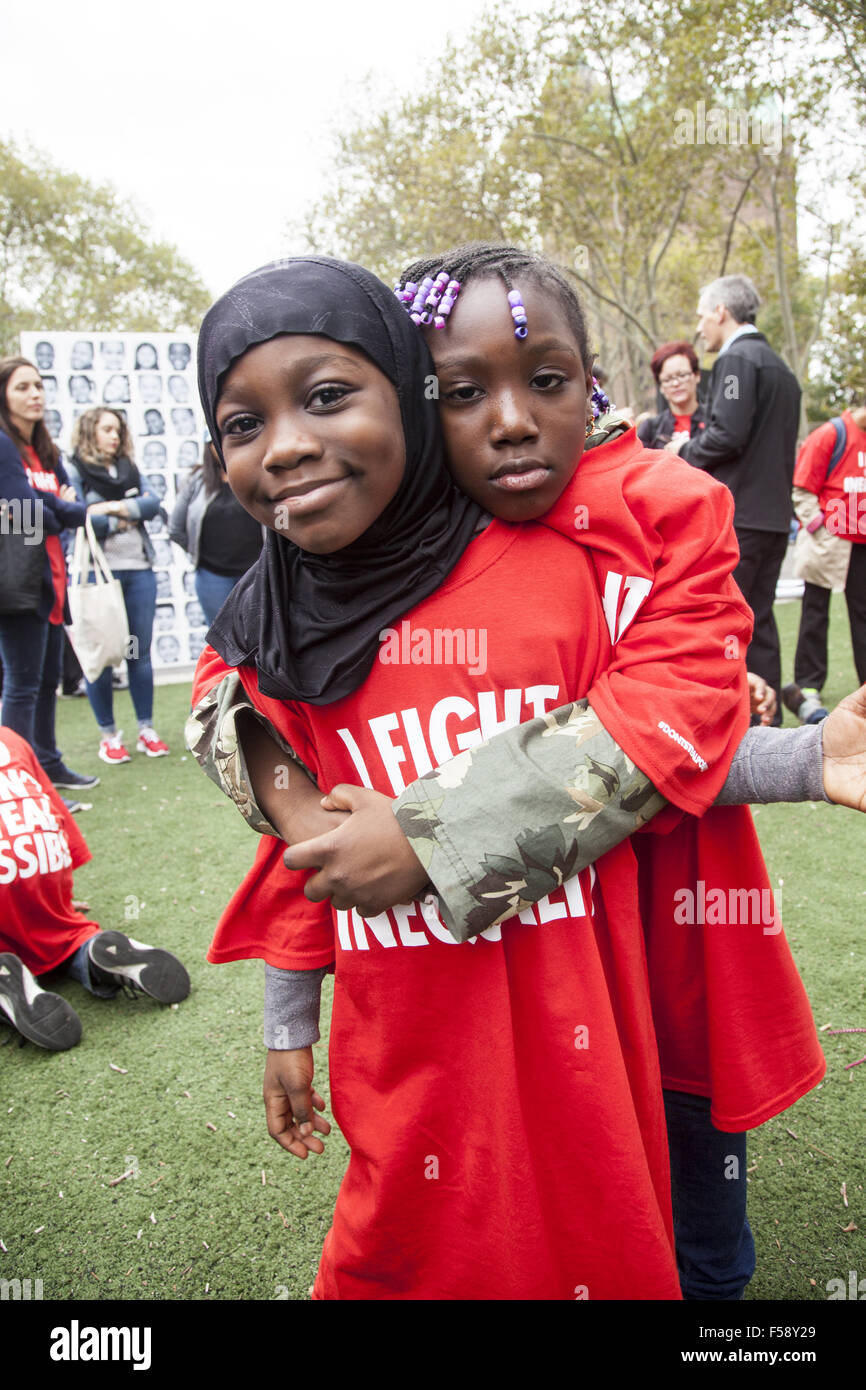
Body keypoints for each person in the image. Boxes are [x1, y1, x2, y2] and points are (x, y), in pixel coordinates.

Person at [191, 248, 828, 1303]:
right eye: (462, 390)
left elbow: (661, 728)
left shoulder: (593, 539)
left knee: (677, 1200)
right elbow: (256, 746)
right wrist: (289, 1005)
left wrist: (430, 837)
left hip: (632, 967)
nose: (511, 420)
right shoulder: (292, 603)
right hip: (428, 1036)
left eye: (545, 382)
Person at [0, 726, 189, 1050]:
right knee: (63, 933)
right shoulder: (10, 736)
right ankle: (91, 950)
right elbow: (55, 812)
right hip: (44, 864)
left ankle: (6, 978)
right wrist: (59, 898)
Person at [665, 275, 801, 719]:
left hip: (741, 519)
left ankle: (731, 717)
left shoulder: (738, 362)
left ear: (721, 311)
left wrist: (682, 450)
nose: (700, 326)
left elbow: (728, 432)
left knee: (728, 619)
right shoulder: (781, 369)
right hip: (776, 520)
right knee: (759, 619)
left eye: (703, 314)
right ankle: (768, 718)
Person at [0, 357, 97, 801]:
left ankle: (48, 764)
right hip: (19, 584)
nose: (35, 394)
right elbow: (25, 516)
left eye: (38, 385)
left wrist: (48, 505)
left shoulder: (47, 451)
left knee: (45, 683)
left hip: (54, 581)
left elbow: (76, 512)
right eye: (22, 387)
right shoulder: (3, 445)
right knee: (21, 685)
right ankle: (16, 783)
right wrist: (51, 502)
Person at [65, 408, 170, 765]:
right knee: (104, 654)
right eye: (106, 429)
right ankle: (109, 736)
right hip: (97, 576)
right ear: (89, 432)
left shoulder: (130, 468)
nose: (114, 435)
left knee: (137, 652)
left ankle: (146, 729)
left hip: (138, 570)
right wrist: (122, 516)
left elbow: (153, 504)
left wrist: (110, 508)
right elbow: (76, 517)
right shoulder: (74, 469)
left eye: (118, 429)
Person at [783, 397, 866, 724]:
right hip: (828, 541)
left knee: (863, 615)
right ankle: (809, 683)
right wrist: (817, 524)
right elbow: (802, 487)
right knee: (815, 611)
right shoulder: (832, 434)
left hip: (862, 543)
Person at [168, 439, 264, 624]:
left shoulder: (259, 475)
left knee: (261, 637)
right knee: (221, 642)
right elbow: (176, 529)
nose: (221, 444)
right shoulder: (196, 480)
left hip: (256, 575)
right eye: (214, 440)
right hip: (213, 576)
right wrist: (201, 554)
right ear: (207, 445)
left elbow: (280, 519)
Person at [637, 340, 707, 450]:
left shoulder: (715, 422)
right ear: (660, 387)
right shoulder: (650, 429)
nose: (675, 383)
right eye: (668, 379)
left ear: (697, 375)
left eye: (682, 375)